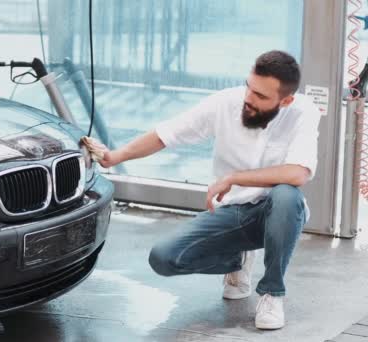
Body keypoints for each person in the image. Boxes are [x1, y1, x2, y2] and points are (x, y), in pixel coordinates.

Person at [83, 50, 320, 330]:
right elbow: (166, 134)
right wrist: (116, 157)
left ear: (286, 100)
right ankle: (236, 259)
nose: (249, 98)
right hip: (232, 213)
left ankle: (271, 292)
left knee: (286, 194)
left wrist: (235, 177)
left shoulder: (303, 111)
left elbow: (298, 173)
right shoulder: (225, 103)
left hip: (278, 214)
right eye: (249, 87)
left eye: (261, 96)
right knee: (164, 258)